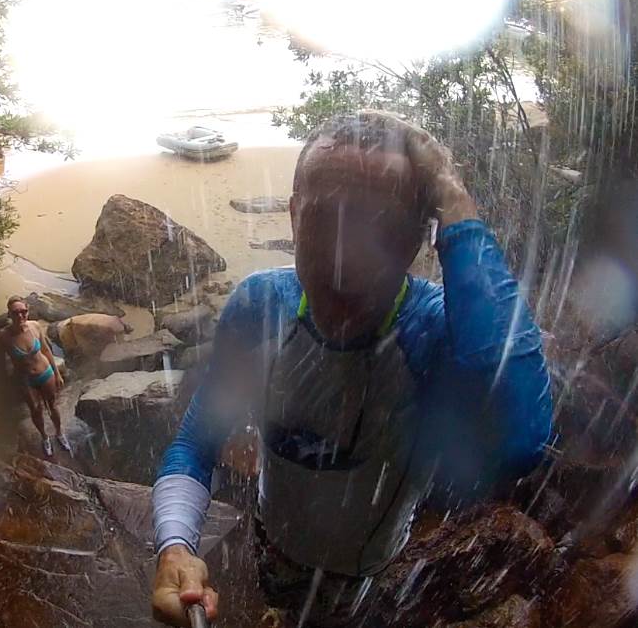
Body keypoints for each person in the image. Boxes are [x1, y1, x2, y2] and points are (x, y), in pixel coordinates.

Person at [150, 111, 552, 627]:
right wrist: (176, 546)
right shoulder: (260, 308)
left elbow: (520, 439)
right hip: (274, 546)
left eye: (378, 227)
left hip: (373, 574)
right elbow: (195, 443)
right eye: (323, 218)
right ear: (294, 216)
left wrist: (452, 197)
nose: (345, 259)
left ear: (416, 240)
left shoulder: (427, 332)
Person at [0, 296, 71, 458]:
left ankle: (59, 433)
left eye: (23, 312)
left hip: (45, 373)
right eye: (15, 312)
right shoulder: (3, 336)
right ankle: (45, 437)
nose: (20, 316)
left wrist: (57, 373)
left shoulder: (35, 326)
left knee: (52, 405)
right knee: (36, 410)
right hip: (25, 379)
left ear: (28, 311)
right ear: (9, 314)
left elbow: (46, 350)